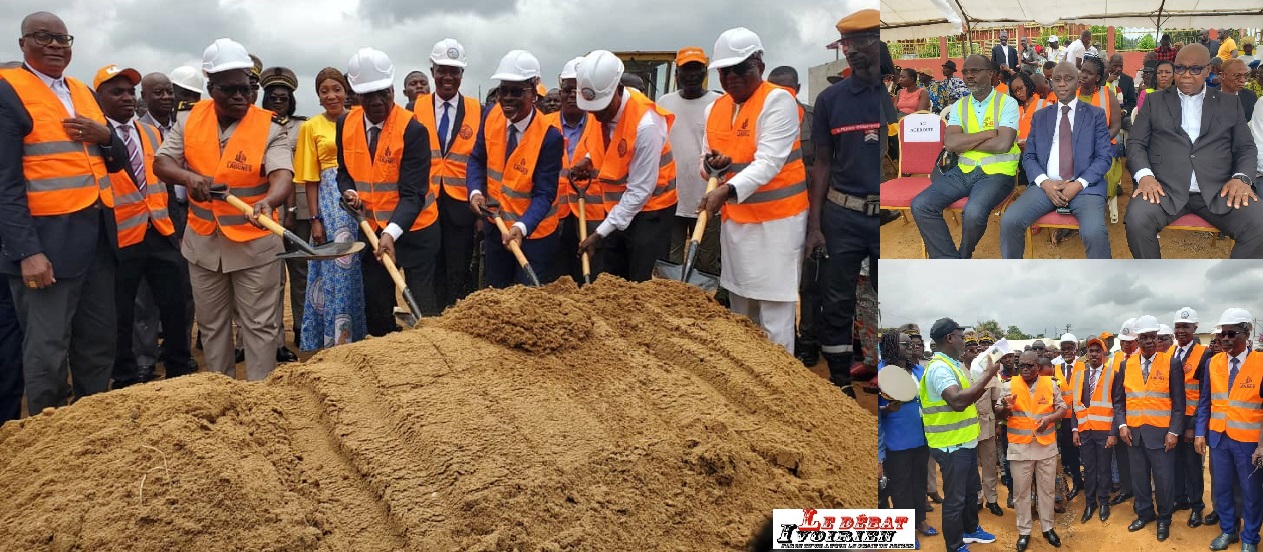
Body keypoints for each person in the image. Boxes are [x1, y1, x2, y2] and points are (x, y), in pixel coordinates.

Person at [0, 11, 132, 413]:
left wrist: (105, 135)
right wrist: (26, 252)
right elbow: (4, 183)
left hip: (96, 241)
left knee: (97, 341)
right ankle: (48, 436)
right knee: (47, 348)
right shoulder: (8, 90)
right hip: (46, 247)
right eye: (44, 38)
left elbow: (117, 160)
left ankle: (91, 428)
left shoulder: (80, 90)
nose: (56, 46)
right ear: (23, 44)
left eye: (63, 39)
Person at [152, 38, 293, 381]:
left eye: (246, 88)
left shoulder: (271, 126)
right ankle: (221, 394)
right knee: (213, 327)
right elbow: (161, 162)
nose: (240, 97)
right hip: (203, 244)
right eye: (229, 90)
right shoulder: (188, 120)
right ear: (210, 88)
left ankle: (261, 402)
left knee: (259, 326)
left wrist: (270, 201)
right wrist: (190, 178)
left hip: (254, 245)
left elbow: (282, 175)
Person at [698, 28, 807, 353]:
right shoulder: (714, 109)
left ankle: (780, 389)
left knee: (775, 315)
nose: (732, 77)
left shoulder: (778, 101)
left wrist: (725, 191)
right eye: (725, 70)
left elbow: (769, 162)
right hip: (737, 226)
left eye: (740, 68)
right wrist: (709, 166)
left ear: (759, 64)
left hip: (777, 225)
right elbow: (703, 165)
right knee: (741, 313)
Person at [93, 63, 195, 387]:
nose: (126, 98)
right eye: (116, 92)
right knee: (122, 312)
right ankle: (125, 374)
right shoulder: (95, 137)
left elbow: (165, 185)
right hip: (121, 237)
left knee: (175, 304)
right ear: (99, 98)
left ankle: (179, 366)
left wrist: (176, 230)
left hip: (162, 232)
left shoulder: (151, 133)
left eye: (130, 92)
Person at [338, 48, 440, 333]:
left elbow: (413, 194)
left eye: (384, 92)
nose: (378, 101)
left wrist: (390, 233)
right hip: (371, 229)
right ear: (356, 95)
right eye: (369, 95)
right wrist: (347, 192)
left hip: (417, 230)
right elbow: (344, 172)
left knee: (423, 307)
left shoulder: (413, 130)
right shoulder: (345, 124)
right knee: (377, 306)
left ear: (393, 88)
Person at [1126, 44, 1261, 258]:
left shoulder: (1229, 104)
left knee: (1259, 224)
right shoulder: (1154, 101)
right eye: (1179, 68)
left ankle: (1230, 286)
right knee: (1136, 220)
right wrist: (1145, 176)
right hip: (1164, 189)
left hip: (1219, 190)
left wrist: (1241, 178)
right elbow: (1135, 143)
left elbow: (1245, 147)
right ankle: (1151, 282)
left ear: (1208, 70)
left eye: (1195, 69)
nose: (1186, 75)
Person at [811, 10, 882, 396]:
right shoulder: (830, 100)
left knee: (888, 296)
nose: (853, 52)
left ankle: (887, 374)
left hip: (885, 218)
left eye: (863, 42)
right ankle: (839, 381)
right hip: (842, 215)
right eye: (848, 45)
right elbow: (822, 164)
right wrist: (815, 226)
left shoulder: (896, 95)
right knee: (836, 300)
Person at [569, 50, 675, 284]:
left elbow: (640, 190)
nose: (596, 116)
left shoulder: (647, 124)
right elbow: (609, 143)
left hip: (650, 211)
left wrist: (600, 232)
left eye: (602, 108)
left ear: (618, 89)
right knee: (613, 277)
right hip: (618, 207)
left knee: (639, 282)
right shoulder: (601, 112)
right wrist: (588, 158)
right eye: (592, 109)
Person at [468, 50, 562, 288]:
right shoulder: (491, 115)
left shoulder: (549, 137)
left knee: (527, 301)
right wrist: (475, 192)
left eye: (516, 91)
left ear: (533, 92)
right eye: (503, 91)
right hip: (495, 228)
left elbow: (544, 194)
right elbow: (477, 159)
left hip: (534, 237)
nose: (507, 98)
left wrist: (521, 227)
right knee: (497, 295)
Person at [999, 62, 1113, 259]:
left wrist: (1078, 184)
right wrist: (1045, 182)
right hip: (1046, 186)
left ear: (1078, 82)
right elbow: (1030, 156)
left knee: (1094, 232)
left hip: (1085, 187)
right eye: (1057, 79)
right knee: (1010, 221)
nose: (1062, 83)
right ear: (1050, 82)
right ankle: (1013, 278)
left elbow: (1104, 157)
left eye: (1068, 79)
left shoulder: (1095, 115)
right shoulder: (1041, 116)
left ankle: (1102, 284)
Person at [912, 54, 1019, 259]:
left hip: (998, 173)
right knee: (921, 205)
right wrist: (988, 133)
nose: (969, 76)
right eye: (966, 72)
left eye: (975, 71)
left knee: (973, 214)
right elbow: (951, 144)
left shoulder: (1007, 103)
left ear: (990, 74)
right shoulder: (961, 105)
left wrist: (966, 141)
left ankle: (964, 254)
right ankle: (950, 262)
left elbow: (1003, 144)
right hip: (963, 171)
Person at [294, 68, 366, 350]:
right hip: (327, 204)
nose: (331, 95)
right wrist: (315, 220)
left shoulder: (358, 120)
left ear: (346, 91)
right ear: (318, 96)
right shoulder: (310, 127)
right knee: (332, 272)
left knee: (357, 271)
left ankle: (357, 337)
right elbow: (310, 179)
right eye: (324, 91)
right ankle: (332, 341)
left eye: (336, 89)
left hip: (358, 203)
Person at [919, 318, 1001, 552]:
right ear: (949, 338)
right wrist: (989, 375)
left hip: (965, 442)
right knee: (954, 501)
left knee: (968, 493)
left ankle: (970, 530)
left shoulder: (952, 364)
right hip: (950, 446)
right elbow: (957, 402)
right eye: (961, 336)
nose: (965, 341)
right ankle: (954, 546)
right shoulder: (939, 368)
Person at [413, 39, 482, 309]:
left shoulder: (478, 110)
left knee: (458, 268)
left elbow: (482, 160)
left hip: (461, 206)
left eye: (455, 71)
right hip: (425, 204)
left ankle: (455, 321)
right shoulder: (414, 109)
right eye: (442, 70)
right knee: (428, 267)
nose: (448, 77)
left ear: (462, 75)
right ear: (432, 71)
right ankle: (430, 320)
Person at [766, 65, 819, 366]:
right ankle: (782, 340)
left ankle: (808, 341)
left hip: (808, 212)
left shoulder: (813, 117)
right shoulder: (762, 119)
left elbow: (824, 166)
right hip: (772, 212)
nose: (781, 96)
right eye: (775, 90)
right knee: (776, 281)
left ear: (797, 88)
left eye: (787, 90)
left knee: (809, 283)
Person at [1198, 308, 1263, 552]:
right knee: (1222, 488)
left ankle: (1250, 538)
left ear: (1246, 334)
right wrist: (1199, 434)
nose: (1224, 338)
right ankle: (1228, 531)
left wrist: (1261, 444)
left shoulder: (1261, 362)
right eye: (1221, 334)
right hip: (1218, 439)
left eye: (1231, 333)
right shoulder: (1213, 363)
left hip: (1248, 442)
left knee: (1251, 491)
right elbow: (1206, 401)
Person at [1115, 315, 1185, 542]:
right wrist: (1122, 425)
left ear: (1157, 338)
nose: (1148, 342)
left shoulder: (1172, 363)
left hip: (1162, 435)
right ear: (1137, 340)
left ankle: (1164, 519)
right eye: (1143, 338)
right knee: (1139, 479)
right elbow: (1119, 401)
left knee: (1164, 481)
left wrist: (1174, 431)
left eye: (1152, 337)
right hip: (1133, 435)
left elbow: (1178, 403)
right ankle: (1145, 513)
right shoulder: (1126, 365)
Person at [658, 47, 722, 286]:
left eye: (697, 70)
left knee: (707, 263)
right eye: (686, 70)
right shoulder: (665, 103)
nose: (692, 75)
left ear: (705, 72)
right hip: (672, 198)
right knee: (670, 264)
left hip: (708, 197)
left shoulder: (717, 103)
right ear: (677, 74)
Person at [996, 350, 1066, 551]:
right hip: (1020, 447)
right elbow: (999, 412)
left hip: (1046, 447)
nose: (1025, 369)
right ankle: (1024, 531)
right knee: (1021, 493)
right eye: (1022, 366)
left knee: (1047, 490)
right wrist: (1006, 408)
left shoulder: (1050, 384)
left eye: (1030, 366)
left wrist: (1049, 419)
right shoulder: (1008, 385)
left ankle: (1048, 528)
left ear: (1038, 366)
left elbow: (1062, 408)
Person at [258, 66, 305, 362]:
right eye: (273, 97)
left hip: (300, 211)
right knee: (271, 280)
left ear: (291, 100)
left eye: (283, 97)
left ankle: (302, 328)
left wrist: (292, 209)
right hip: (265, 210)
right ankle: (275, 340)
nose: (278, 101)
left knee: (301, 274)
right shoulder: (255, 126)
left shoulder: (304, 126)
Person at [549, 56, 605, 285]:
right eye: (567, 89)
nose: (572, 95)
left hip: (592, 214)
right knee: (559, 278)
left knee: (592, 274)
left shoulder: (601, 124)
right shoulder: (544, 125)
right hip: (555, 214)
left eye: (578, 90)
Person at [878, 330, 936, 546]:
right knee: (900, 486)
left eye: (911, 343)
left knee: (919, 482)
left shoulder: (918, 369)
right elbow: (875, 413)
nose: (911, 346)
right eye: (905, 344)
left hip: (921, 437)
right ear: (893, 346)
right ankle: (904, 530)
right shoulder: (882, 373)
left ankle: (920, 520)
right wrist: (886, 410)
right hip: (897, 440)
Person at [1069, 337, 1117, 523]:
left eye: (1098, 351)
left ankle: (1104, 501)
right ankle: (1090, 503)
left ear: (1104, 354)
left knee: (1104, 469)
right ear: (1086, 355)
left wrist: (1113, 432)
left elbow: (1117, 405)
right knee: (1088, 469)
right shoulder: (1079, 375)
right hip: (1084, 430)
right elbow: (1075, 405)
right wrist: (1075, 430)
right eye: (1091, 351)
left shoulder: (1113, 374)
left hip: (1104, 431)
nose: (1094, 354)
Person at [1168, 307, 1208, 528]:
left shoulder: (1204, 355)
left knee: (1193, 467)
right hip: (1173, 421)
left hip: (1191, 421)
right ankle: (1180, 499)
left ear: (1195, 328)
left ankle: (1196, 507)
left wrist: (1194, 426)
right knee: (1176, 464)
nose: (1181, 330)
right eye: (1178, 326)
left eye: (1186, 326)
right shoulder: (1170, 354)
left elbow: (1204, 396)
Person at [968, 334, 1004, 517]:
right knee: (971, 466)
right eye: (971, 349)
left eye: (978, 348)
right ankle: (977, 499)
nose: (976, 351)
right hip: (966, 427)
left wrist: (997, 424)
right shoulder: (958, 371)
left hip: (986, 424)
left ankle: (992, 500)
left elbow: (994, 401)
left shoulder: (989, 371)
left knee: (989, 465)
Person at [1107, 54, 1138, 125]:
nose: (1119, 69)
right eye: (1115, 66)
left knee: (1133, 124)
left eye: (1121, 66)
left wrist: (1124, 111)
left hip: (1121, 117)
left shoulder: (1128, 80)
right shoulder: (1102, 78)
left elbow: (1132, 102)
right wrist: (1108, 82)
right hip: (1103, 115)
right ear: (1109, 65)